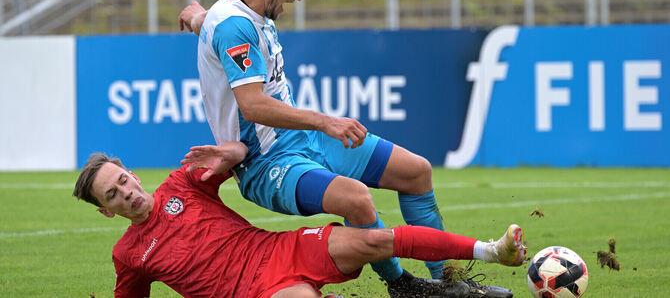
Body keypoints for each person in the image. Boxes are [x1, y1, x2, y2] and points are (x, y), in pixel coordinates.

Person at [178, 0, 479, 295]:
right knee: (355, 199)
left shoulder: (238, 14)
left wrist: (196, 15)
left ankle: (446, 281)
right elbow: (253, 105)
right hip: (265, 162)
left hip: (303, 140)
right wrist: (325, 120)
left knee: (416, 172)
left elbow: (208, 23)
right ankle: (403, 285)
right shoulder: (233, 26)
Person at [72, 142, 527, 298]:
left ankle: (492, 251)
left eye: (124, 181)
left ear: (131, 173)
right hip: (255, 292)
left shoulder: (181, 185)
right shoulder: (129, 256)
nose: (127, 194)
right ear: (106, 211)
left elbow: (240, 154)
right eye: (114, 195)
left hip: (278, 249)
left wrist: (230, 152)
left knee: (372, 241)